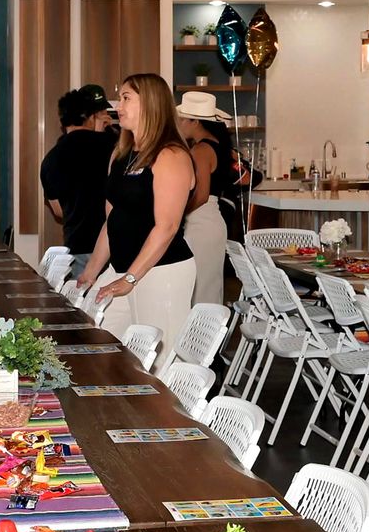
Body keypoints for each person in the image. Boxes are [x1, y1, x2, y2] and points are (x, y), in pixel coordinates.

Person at [80, 73, 197, 356]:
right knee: (99, 343)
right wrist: (92, 271)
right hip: (123, 269)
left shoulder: (171, 155)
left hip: (161, 271)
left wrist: (130, 278)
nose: (117, 106)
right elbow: (112, 221)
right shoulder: (121, 154)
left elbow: (167, 226)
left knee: (159, 362)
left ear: (151, 103)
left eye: (126, 98)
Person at [39, 85, 116, 278]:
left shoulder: (51, 159)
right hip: (113, 244)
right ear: (90, 117)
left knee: (79, 295)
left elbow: (59, 211)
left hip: (77, 244)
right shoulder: (112, 146)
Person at [175, 90, 237, 305]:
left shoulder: (201, 150)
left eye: (182, 119)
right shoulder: (218, 146)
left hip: (201, 222)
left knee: (199, 289)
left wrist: (176, 214)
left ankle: (201, 327)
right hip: (211, 220)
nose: (179, 124)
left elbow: (200, 195)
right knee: (208, 286)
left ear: (195, 121)